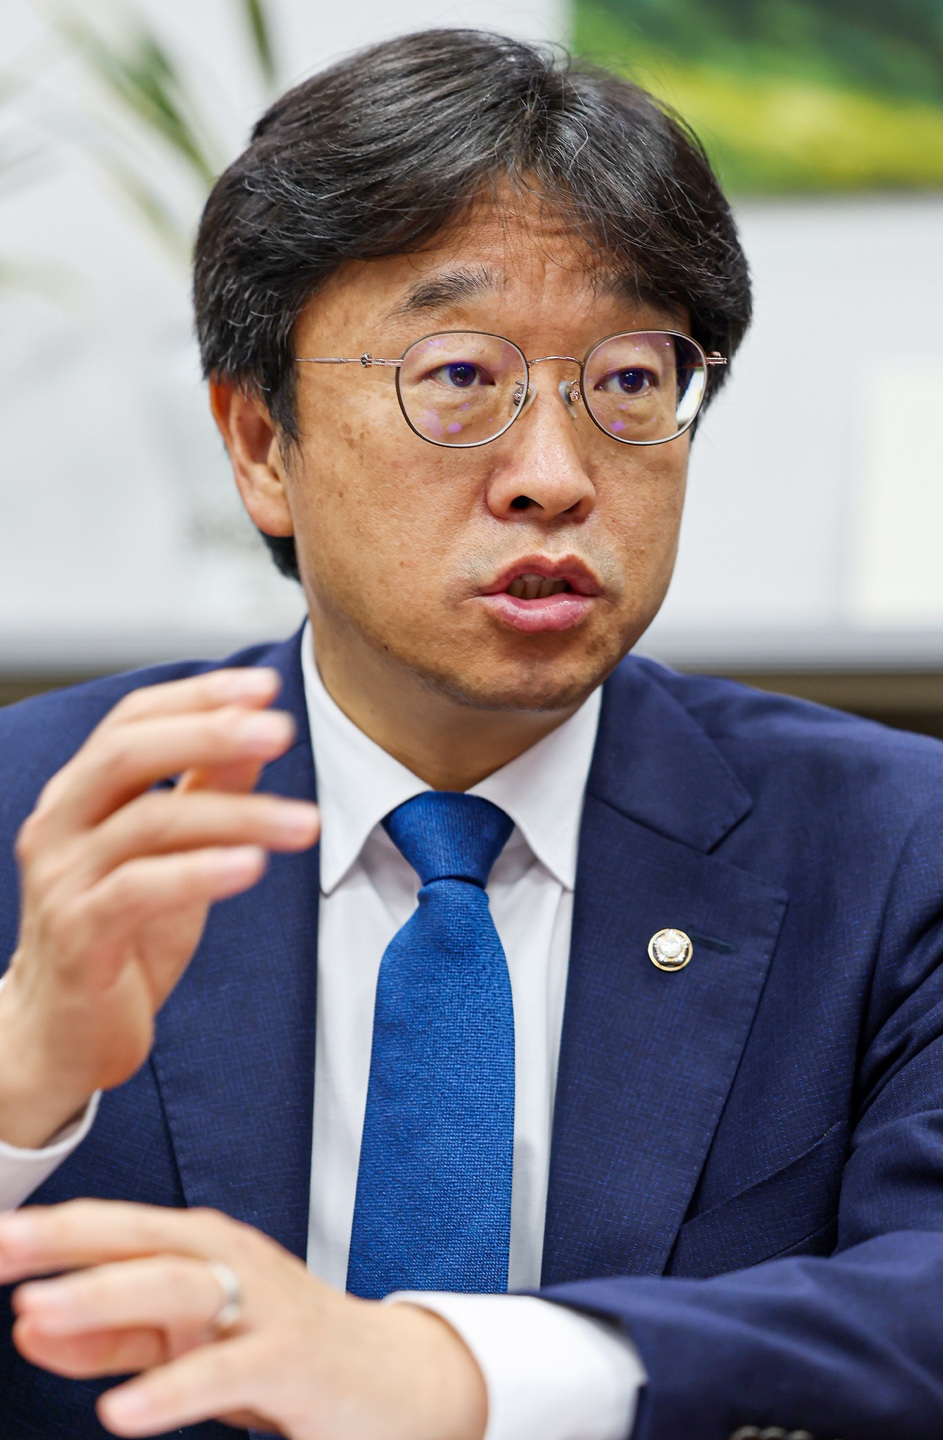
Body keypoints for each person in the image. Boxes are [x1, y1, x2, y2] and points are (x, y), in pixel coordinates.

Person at [0, 25, 942, 1440]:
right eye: (457, 377)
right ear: (259, 444)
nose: (554, 476)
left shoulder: (899, 850)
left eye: (629, 381)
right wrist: (16, 1091)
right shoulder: (45, 819)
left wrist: (456, 1375)